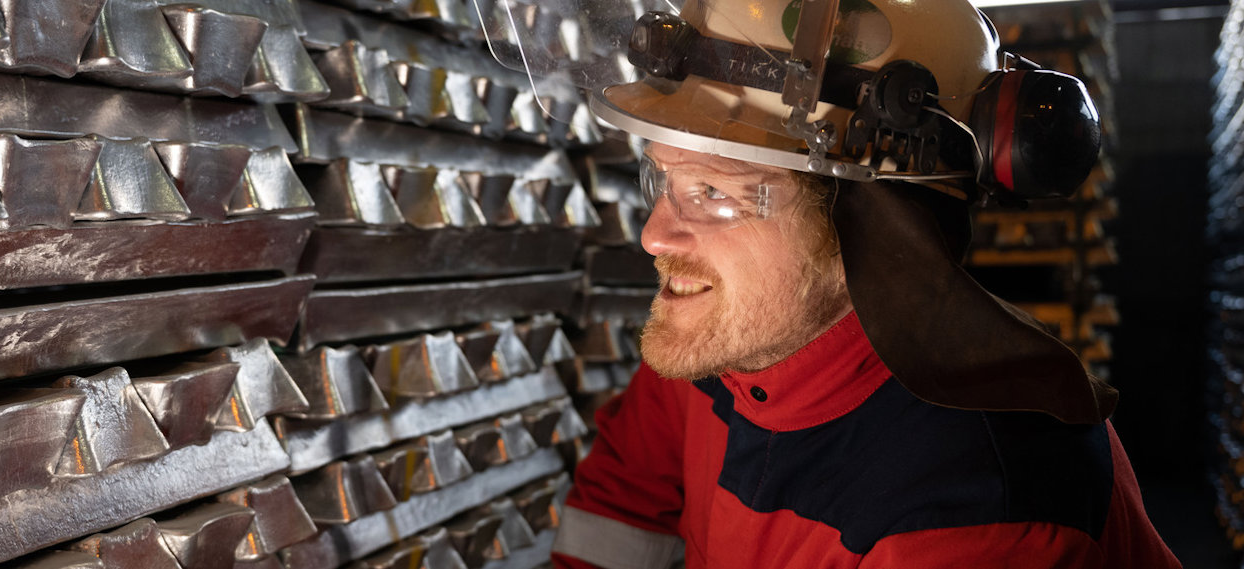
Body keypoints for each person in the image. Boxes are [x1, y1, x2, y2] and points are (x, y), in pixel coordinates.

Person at [472, 0, 1184, 565]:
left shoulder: (976, 510)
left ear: (865, 230)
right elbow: (621, 501)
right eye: (664, 177)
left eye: (716, 192)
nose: (654, 236)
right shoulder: (727, 344)